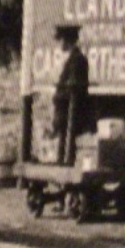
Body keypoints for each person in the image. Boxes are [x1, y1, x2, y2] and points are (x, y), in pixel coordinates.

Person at [51, 23, 90, 165]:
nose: (59, 44)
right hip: (65, 108)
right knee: (63, 138)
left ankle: (66, 162)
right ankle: (62, 161)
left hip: (71, 109)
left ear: (67, 40)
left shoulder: (77, 60)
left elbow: (74, 88)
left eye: (61, 40)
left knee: (67, 138)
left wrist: (58, 94)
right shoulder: (72, 59)